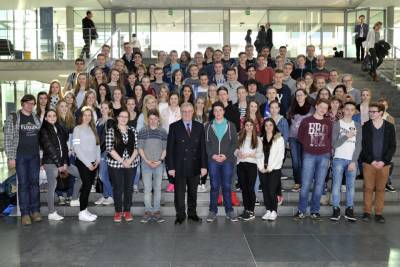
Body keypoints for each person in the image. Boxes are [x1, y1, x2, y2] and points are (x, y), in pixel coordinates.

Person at [167, 103, 207, 224]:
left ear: (193, 111)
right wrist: (171, 167)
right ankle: (180, 215)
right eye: (184, 111)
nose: (187, 113)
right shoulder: (174, 126)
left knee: (193, 193)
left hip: (194, 165)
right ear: (181, 112)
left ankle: (192, 213)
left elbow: (202, 148)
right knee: (179, 194)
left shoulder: (199, 126)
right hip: (179, 166)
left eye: (189, 111)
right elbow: (170, 149)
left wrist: (204, 166)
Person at [4, 94, 42, 225]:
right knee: (24, 184)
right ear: (22, 103)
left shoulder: (36, 118)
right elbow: (8, 138)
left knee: (35, 183)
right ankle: (25, 214)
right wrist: (10, 157)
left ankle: (35, 211)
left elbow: (40, 138)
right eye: (28, 103)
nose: (30, 106)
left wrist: (42, 156)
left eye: (33, 104)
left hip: (34, 156)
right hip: (20, 157)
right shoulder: (13, 118)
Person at [39, 109, 81, 221]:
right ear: (46, 118)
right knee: (52, 186)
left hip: (62, 162)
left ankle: (74, 198)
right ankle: (51, 212)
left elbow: (65, 147)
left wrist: (65, 162)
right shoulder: (43, 130)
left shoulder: (60, 129)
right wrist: (59, 164)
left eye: (54, 115)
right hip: (50, 162)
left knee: (81, 174)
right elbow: (49, 148)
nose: (52, 118)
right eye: (49, 116)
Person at [295, 99, 332, 221]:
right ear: (316, 106)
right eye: (321, 107)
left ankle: (315, 211)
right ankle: (301, 210)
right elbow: (300, 137)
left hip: (324, 156)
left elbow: (330, 139)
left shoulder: (329, 122)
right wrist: (308, 146)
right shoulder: (306, 121)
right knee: (305, 184)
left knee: (320, 185)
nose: (323, 110)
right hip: (309, 155)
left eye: (325, 108)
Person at [360, 102, 396, 223]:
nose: (371, 113)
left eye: (373, 111)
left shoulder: (390, 127)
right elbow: (363, 146)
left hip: (384, 164)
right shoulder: (365, 127)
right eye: (369, 111)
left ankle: (379, 213)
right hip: (369, 163)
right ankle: (367, 212)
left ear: (381, 112)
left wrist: (384, 161)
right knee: (368, 188)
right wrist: (372, 160)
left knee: (380, 189)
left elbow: (392, 146)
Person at [205, 102, 239, 222]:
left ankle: (229, 211)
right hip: (213, 160)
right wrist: (212, 155)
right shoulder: (208, 126)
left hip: (227, 160)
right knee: (214, 186)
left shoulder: (231, 125)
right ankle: (212, 211)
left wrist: (226, 155)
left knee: (227, 185)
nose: (218, 112)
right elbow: (206, 143)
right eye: (215, 110)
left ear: (223, 111)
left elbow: (235, 143)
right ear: (213, 112)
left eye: (220, 110)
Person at [330, 101, 362, 222]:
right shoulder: (337, 124)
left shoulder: (358, 125)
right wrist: (347, 136)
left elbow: (358, 145)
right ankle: (336, 208)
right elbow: (334, 144)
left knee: (351, 186)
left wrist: (354, 161)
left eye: (352, 109)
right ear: (343, 110)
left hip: (351, 160)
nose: (349, 111)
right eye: (347, 109)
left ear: (354, 111)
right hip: (338, 159)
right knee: (336, 185)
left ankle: (349, 209)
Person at [106, 109, 139, 222]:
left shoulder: (133, 130)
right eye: (122, 116)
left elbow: (137, 147)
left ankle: (127, 211)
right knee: (118, 188)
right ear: (118, 118)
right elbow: (110, 148)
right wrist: (122, 161)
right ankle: (118, 211)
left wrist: (129, 161)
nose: (124, 118)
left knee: (128, 188)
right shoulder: (111, 131)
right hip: (115, 164)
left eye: (126, 117)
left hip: (131, 163)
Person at [138, 109, 168, 223]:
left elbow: (165, 149)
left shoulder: (163, 132)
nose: (153, 121)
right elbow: (140, 148)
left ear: (158, 120)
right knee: (147, 189)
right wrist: (147, 160)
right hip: (146, 164)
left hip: (159, 164)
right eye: (150, 119)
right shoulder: (142, 131)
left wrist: (160, 160)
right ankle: (148, 211)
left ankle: (156, 211)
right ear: (148, 119)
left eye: (155, 119)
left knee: (157, 189)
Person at [72, 106, 101, 222]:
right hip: (83, 162)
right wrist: (88, 163)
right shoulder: (77, 129)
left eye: (90, 115)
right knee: (87, 185)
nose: (87, 117)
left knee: (88, 187)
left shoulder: (93, 129)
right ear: (81, 116)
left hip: (94, 162)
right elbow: (76, 148)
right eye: (85, 115)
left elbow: (97, 145)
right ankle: (82, 212)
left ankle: (84, 210)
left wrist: (98, 159)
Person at [235, 119, 263, 221]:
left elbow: (260, 154)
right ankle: (246, 210)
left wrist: (249, 154)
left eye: (251, 125)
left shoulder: (257, 139)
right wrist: (238, 153)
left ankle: (251, 211)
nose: (249, 127)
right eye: (247, 125)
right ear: (244, 126)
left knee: (250, 188)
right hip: (241, 165)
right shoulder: (240, 137)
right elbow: (235, 150)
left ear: (254, 127)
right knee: (244, 188)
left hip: (251, 165)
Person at [259, 118, 285, 221]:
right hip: (262, 169)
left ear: (274, 126)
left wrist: (270, 167)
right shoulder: (260, 139)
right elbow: (258, 155)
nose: (268, 127)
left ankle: (274, 211)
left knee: (272, 190)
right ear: (264, 127)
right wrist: (261, 167)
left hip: (274, 169)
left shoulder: (279, 139)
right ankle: (268, 210)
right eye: (266, 125)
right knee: (265, 190)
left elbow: (280, 156)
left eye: (270, 125)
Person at [94, 101, 115, 206]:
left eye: (106, 108)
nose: (103, 110)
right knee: (103, 175)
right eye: (102, 108)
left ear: (110, 110)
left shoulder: (110, 121)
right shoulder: (98, 121)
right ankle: (105, 195)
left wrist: (105, 151)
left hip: (105, 151)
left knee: (102, 175)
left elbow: (110, 138)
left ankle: (111, 196)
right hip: (98, 151)